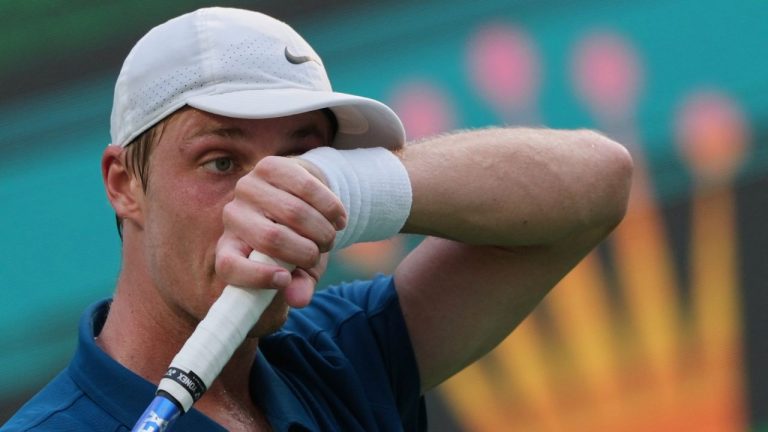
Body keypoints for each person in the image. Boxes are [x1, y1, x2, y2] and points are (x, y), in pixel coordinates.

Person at [3, 7, 632, 432]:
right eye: (221, 162)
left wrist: (349, 186)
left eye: (303, 160)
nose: (273, 204)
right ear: (125, 185)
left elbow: (599, 184)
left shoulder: (343, 352)